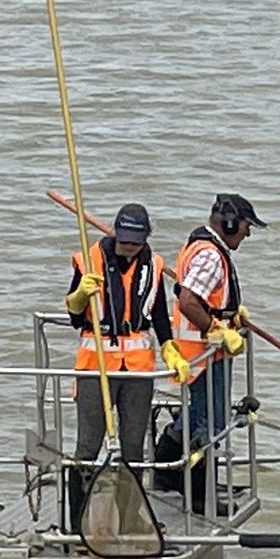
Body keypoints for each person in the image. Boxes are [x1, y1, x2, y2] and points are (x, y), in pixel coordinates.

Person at [62, 202, 183, 529]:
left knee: (134, 448)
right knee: (88, 445)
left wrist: (169, 348)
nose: (128, 247)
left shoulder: (153, 266)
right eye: (124, 240)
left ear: (145, 239)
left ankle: (130, 520)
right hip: (95, 368)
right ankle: (77, 524)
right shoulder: (89, 260)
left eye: (135, 242)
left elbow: (159, 315)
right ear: (115, 233)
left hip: (138, 370)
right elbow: (75, 318)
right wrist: (79, 296)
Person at [158, 194, 267, 505]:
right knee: (210, 424)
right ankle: (198, 495)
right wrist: (216, 329)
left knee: (197, 417)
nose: (247, 234)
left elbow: (204, 298)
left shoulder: (204, 247)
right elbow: (189, 301)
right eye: (247, 226)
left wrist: (229, 315)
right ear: (230, 223)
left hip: (200, 351)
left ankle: (169, 475)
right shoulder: (210, 255)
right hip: (204, 352)